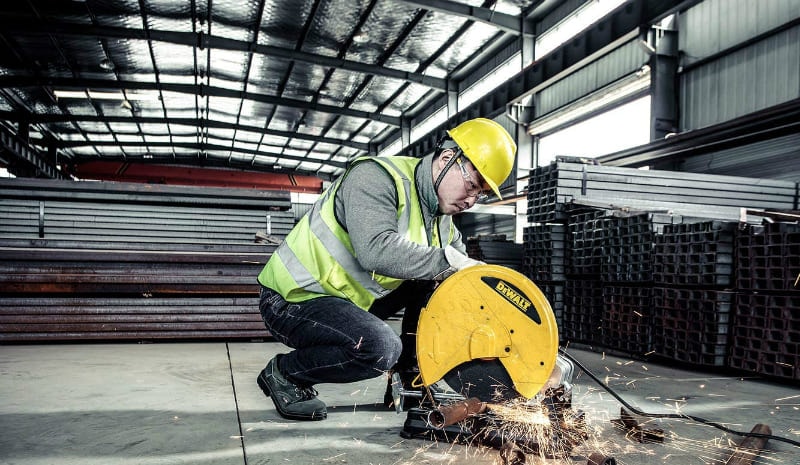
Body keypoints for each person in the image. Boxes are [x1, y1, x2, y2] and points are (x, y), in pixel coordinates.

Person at [256, 117, 517, 421]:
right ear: (448, 159)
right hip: (293, 298)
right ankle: (286, 373)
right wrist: (449, 263)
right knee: (380, 348)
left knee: (437, 283)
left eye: (481, 194)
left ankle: (412, 378)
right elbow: (375, 250)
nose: (472, 199)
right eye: (472, 185)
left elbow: (465, 285)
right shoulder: (375, 177)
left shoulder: (442, 224)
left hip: (349, 301)